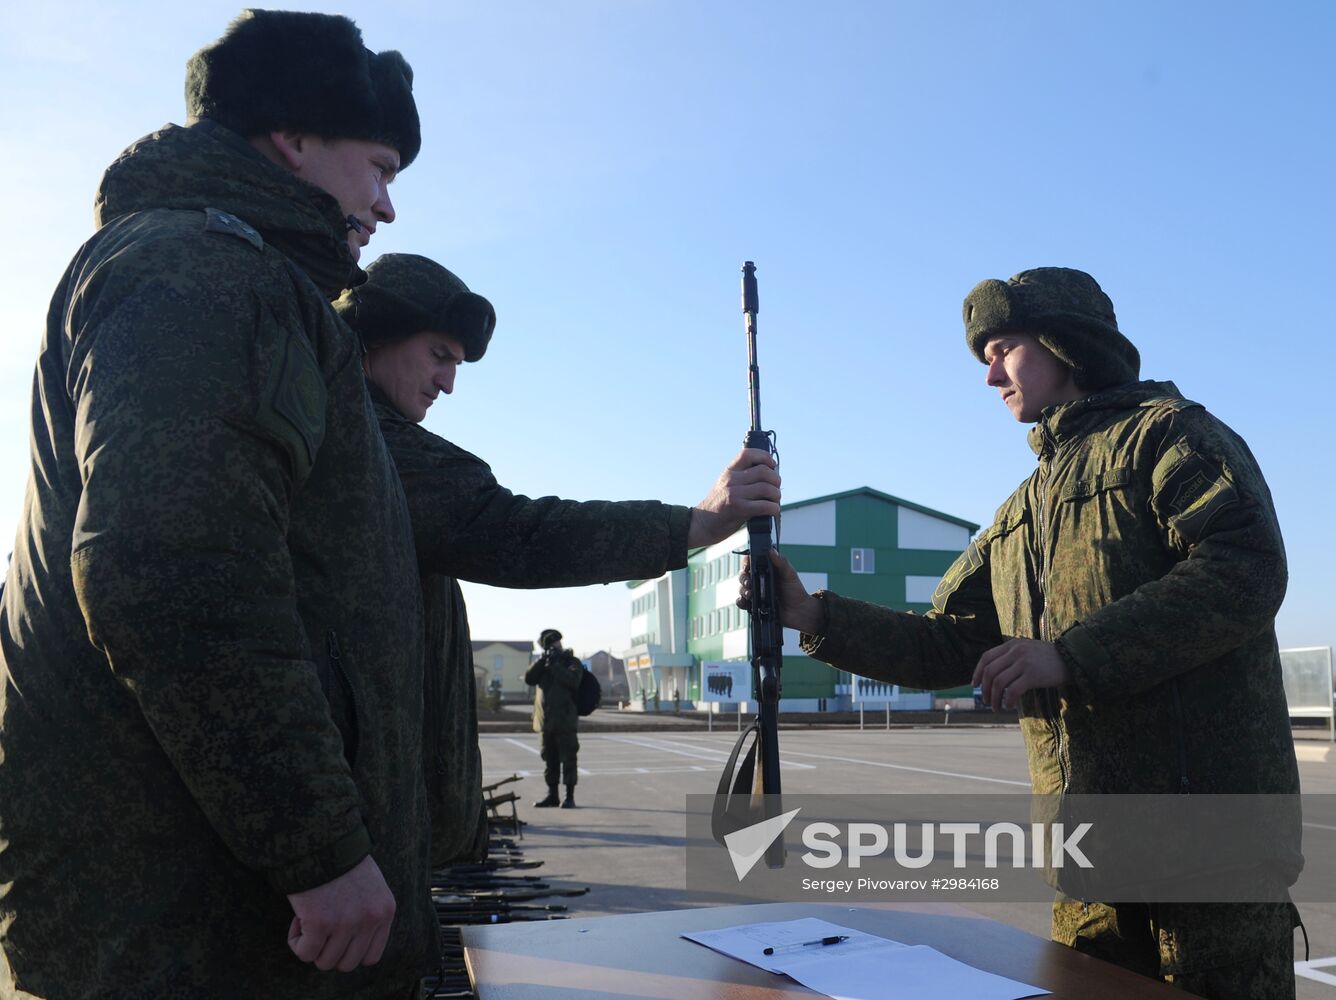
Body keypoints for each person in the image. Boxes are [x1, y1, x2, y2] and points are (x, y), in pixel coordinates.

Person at [0, 12, 436, 998]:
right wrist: (315, 845)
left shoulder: (234, 275)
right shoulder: (204, 271)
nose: (385, 204)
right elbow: (169, 565)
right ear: (292, 135)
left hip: (205, 915)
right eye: (378, 166)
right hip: (195, 930)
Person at [743, 267, 1301, 999]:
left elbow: (1246, 568)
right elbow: (950, 641)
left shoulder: (1168, 436)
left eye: (1001, 349)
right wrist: (813, 616)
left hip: (1208, 856)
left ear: (1064, 343)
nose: (989, 376)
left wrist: (1072, 657)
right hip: (1089, 864)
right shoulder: (1020, 513)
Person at [332, 253, 782, 851]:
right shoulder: (365, 445)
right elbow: (519, 534)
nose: (448, 382)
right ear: (375, 336)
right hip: (366, 838)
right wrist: (696, 524)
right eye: (439, 356)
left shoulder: (356, 429)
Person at [525, 629, 586, 808]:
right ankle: (552, 795)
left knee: (569, 760)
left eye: (557, 643)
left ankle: (569, 797)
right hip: (546, 723)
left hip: (565, 722)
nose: (556, 646)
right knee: (549, 761)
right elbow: (529, 679)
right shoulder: (543, 665)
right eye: (551, 645)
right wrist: (543, 661)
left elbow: (573, 681)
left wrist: (556, 665)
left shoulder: (571, 662)